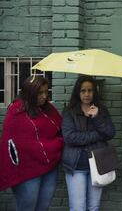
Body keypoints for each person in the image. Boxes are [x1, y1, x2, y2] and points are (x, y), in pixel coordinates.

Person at [0, 76, 64, 211]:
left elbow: (60, 130)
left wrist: (55, 145)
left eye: (46, 92)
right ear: (30, 92)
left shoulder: (49, 109)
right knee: (27, 207)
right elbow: (14, 144)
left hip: (50, 166)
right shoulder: (16, 111)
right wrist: (51, 146)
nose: (44, 96)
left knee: (43, 206)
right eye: (40, 93)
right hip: (26, 170)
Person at [61, 75, 115, 211]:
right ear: (77, 92)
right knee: (78, 208)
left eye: (90, 90)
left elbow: (110, 133)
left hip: (98, 165)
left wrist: (96, 118)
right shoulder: (69, 112)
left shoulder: (101, 110)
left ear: (94, 92)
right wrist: (97, 135)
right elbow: (70, 138)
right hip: (76, 166)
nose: (86, 94)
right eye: (83, 90)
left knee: (93, 207)